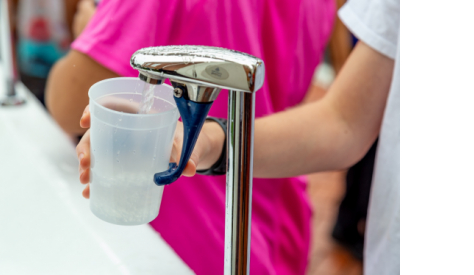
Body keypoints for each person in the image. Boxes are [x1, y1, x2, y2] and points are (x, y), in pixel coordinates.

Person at [77, 0, 400, 273]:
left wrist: (89, 25)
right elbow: (342, 120)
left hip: (194, 236)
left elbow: (70, 97)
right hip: (277, 224)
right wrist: (205, 139)